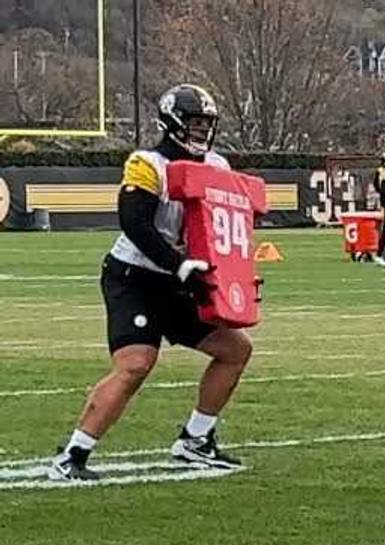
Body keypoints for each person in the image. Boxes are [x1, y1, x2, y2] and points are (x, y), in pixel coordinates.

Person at [47, 84, 252, 481]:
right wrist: (178, 264)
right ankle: (72, 455)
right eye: (194, 123)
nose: (201, 132)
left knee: (235, 350)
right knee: (136, 364)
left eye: (206, 124)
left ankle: (195, 440)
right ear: (172, 123)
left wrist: (227, 273)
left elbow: (225, 226)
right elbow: (135, 222)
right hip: (135, 276)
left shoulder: (218, 167)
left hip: (180, 280)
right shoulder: (147, 163)